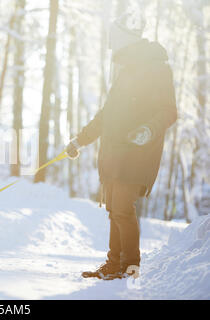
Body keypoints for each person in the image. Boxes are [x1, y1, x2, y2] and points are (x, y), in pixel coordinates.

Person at [65, 9, 177, 280]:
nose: (111, 42)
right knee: (115, 210)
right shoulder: (125, 72)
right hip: (114, 152)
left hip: (136, 151)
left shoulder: (157, 68)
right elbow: (107, 114)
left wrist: (147, 130)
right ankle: (113, 264)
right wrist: (80, 140)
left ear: (127, 39)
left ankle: (130, 265)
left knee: (123, 209)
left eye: (114, 37)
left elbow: (169, 110)